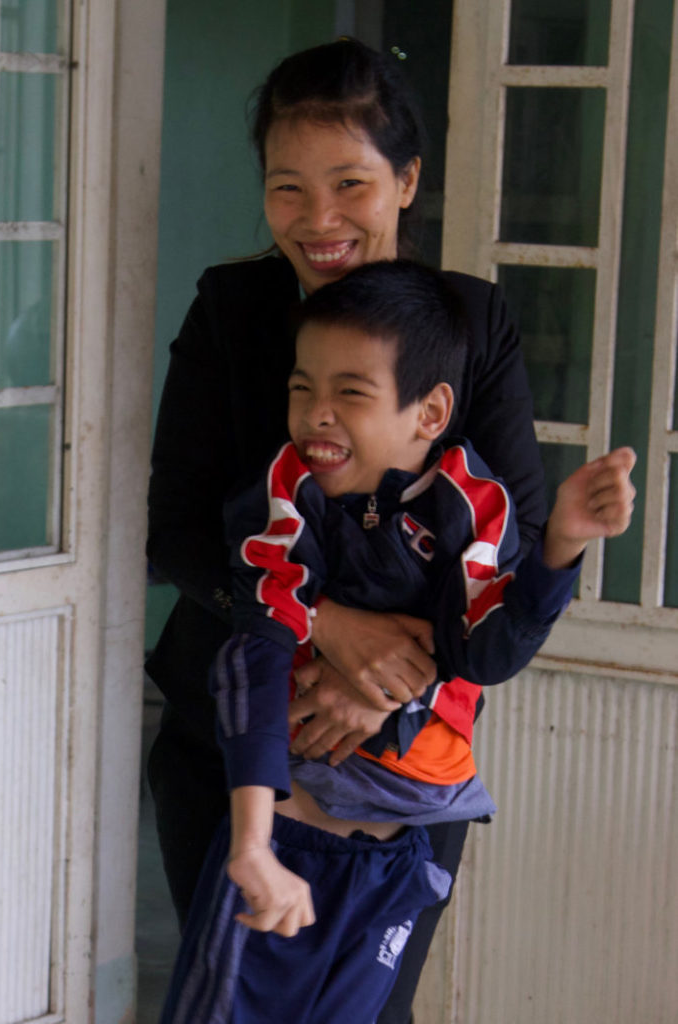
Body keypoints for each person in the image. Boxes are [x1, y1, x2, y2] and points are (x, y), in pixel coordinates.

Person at [147, 37, 547, 1022]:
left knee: (369, 1009)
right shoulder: (231, 310)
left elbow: (518, 537)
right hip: (233, 740)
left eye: (350, 184)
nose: (318, 221)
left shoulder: (470, 321)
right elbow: (176, 533)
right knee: (226, 1005)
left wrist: (388, 686)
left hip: (407, 759)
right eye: (288, 189)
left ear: (407, 180)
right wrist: (325, 625)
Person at [158, 260, 636, 1024]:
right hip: (284, 837)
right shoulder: (287, 496)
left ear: (429, 410)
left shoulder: (471, 506)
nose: (317, 414)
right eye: (300, 388)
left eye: (349, 393)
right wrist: (251, 844)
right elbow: (253, 658)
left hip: (394, 859)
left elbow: (485, 653)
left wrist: (560, 550)